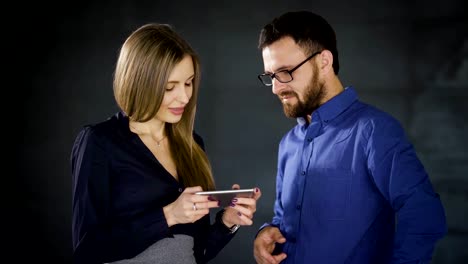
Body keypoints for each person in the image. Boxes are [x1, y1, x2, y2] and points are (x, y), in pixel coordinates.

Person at [252, 11, 447, 264]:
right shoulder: (289, 143)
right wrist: (266, 232)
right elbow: (283, 218)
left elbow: (424, 214)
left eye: (286, 71)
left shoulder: (374, 131)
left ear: (324, 61)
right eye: (270, 76)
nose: (277, 87)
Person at [71, 23, 261, 264]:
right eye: (170, 87)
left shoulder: (192, 144)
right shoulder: (99, 143)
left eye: (189, 83)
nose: (184, 97)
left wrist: (227, 222)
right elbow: (87, 250)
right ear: (140, 83)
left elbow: (196, 253)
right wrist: (169, 215)